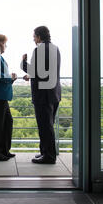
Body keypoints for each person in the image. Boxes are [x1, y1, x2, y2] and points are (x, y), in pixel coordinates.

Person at [21, 26, 61, 164]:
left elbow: (34, 71)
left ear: (39, 36)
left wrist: (23, 63)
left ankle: (49, 156)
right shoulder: (55, 48)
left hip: (42, 96)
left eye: (34, 37)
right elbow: (44, 71)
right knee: (48, 125)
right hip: (54, 94)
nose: (33, 39)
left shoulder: (39, 50)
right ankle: (45, 151)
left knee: (45, 127)